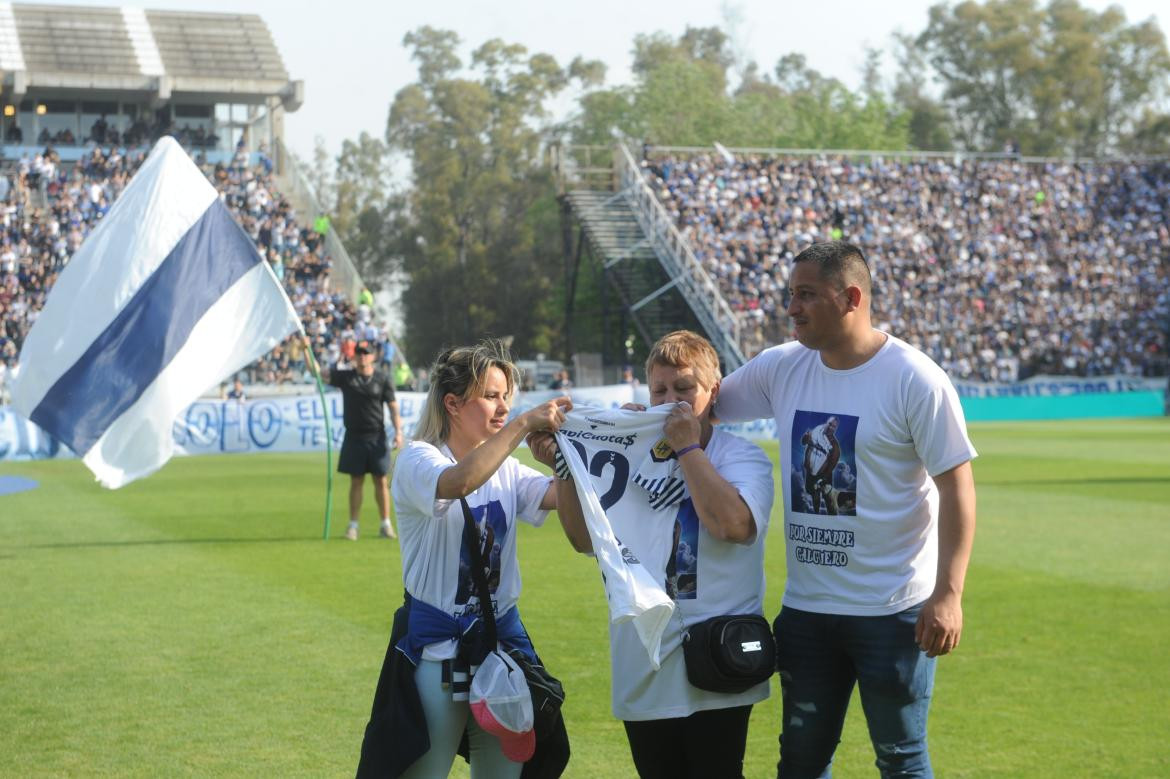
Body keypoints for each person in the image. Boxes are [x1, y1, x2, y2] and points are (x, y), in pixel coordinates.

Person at [714, 241, 978, 778]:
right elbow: (701, 408)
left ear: (851, 297)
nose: (792, 308)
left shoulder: (914, 378)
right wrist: (619, 424)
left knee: (901, 760)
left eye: (807, 295)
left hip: (893, 613)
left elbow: (958, 487)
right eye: (792, 294)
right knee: (802, 763)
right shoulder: (780, 367)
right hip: (807, 613)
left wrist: (948, 594)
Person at [535, 330, 775, 779]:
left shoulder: (743, 457)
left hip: (717, 655)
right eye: (660, 390)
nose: (670, 401)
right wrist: (566, 468)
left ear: (713, 391)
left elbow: (734, 526)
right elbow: (584, 540)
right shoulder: (629, 453)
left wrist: (686, 448)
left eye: (684, 389)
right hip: (642, 655)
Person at [356, 339, 572, 778]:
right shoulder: (419, 457)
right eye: (491, 396)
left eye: (507, 398)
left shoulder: (508, 469)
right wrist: (523, 424)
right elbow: (457, 482)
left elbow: (555, 498)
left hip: (499, 652)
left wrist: (564, 464)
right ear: (453, 404)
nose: (502, 407)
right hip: (437, 652)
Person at [305, 337, 403, 540]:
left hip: (377, 436)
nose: (362, 357)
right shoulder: (346, 377)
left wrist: (399, 432)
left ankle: (385, 525)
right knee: (356, 481)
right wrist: (307, 349)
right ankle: (353, 526)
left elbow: (393, 408)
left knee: (380, 481)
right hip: (354, 437)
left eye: (366, 353)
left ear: (373, 356)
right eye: (359, 353)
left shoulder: (383, 378)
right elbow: (316, 372)